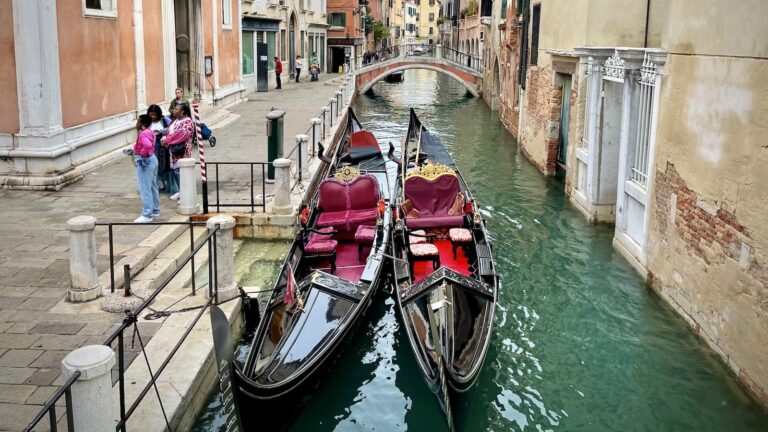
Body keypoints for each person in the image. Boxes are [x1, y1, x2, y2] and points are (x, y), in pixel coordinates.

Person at [161, 103, 194, 201]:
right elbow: (169, 132)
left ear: (182, 112)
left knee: (182, 172)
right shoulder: (174, 121)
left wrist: (167, 140)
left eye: (176, 109)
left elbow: (181, 134)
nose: (173, 110)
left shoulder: (188, 122)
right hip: (172, 151)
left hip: (181, 151)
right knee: (175, 172)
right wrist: (164, 139)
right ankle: (181, 191)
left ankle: (186, 195)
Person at [133, 114, 160, 223]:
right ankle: (155, 209)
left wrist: (142, 154)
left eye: (139, 122)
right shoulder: (149, 131)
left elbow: (148, 146)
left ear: (143, 124)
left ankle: (147, 214)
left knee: (145, 188)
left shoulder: (143, 134)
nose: (137, 124)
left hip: (146, 161)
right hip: (153, 159)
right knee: (153, 186)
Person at [147, 104, 173, 194]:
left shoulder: (164, 120)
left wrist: (162, 131)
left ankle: (166, 182)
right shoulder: (147, 122)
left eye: (154, 114)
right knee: (154, 165)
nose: (153, 117)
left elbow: (172, 127)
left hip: (163, 144)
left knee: (164, 164)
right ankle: (156, 183)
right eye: (151, 114)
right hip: (151, 146)